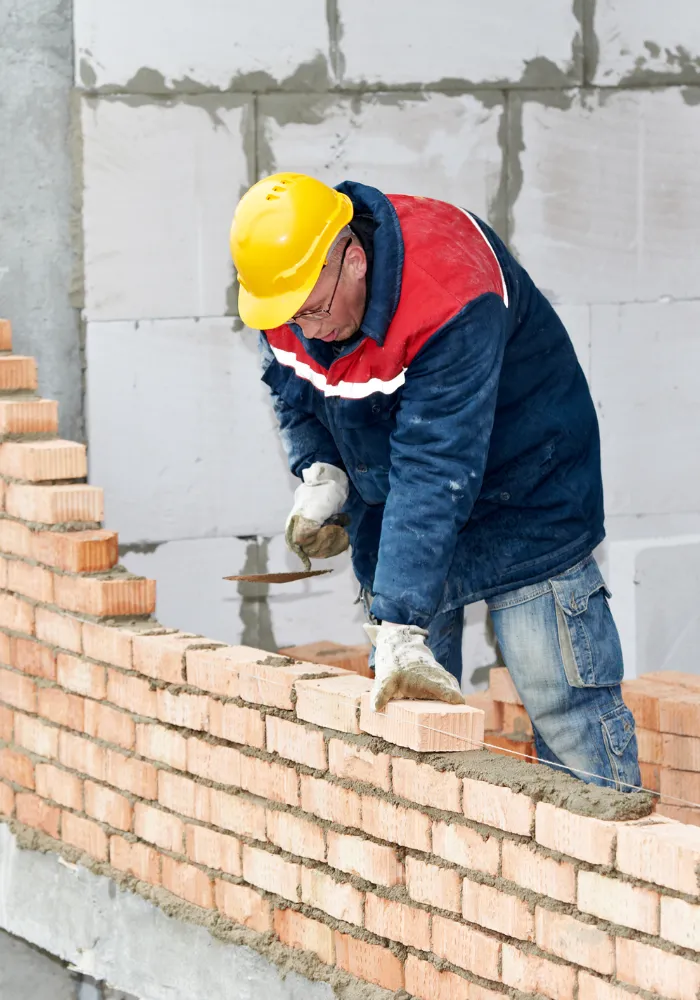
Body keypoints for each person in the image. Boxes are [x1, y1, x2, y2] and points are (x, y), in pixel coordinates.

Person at [229, 172, 641, 792]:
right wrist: (322, 470)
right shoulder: (291, 297)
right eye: (289, 317)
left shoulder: (449, 291)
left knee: (565, 714)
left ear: (356, 262)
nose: (305, 330)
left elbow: (437, 463)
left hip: (524, 493)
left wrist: (397, 621)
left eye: (312, 311)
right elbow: (294, 386)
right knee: (414, 734)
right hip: (402, 506)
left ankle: (614, 879)